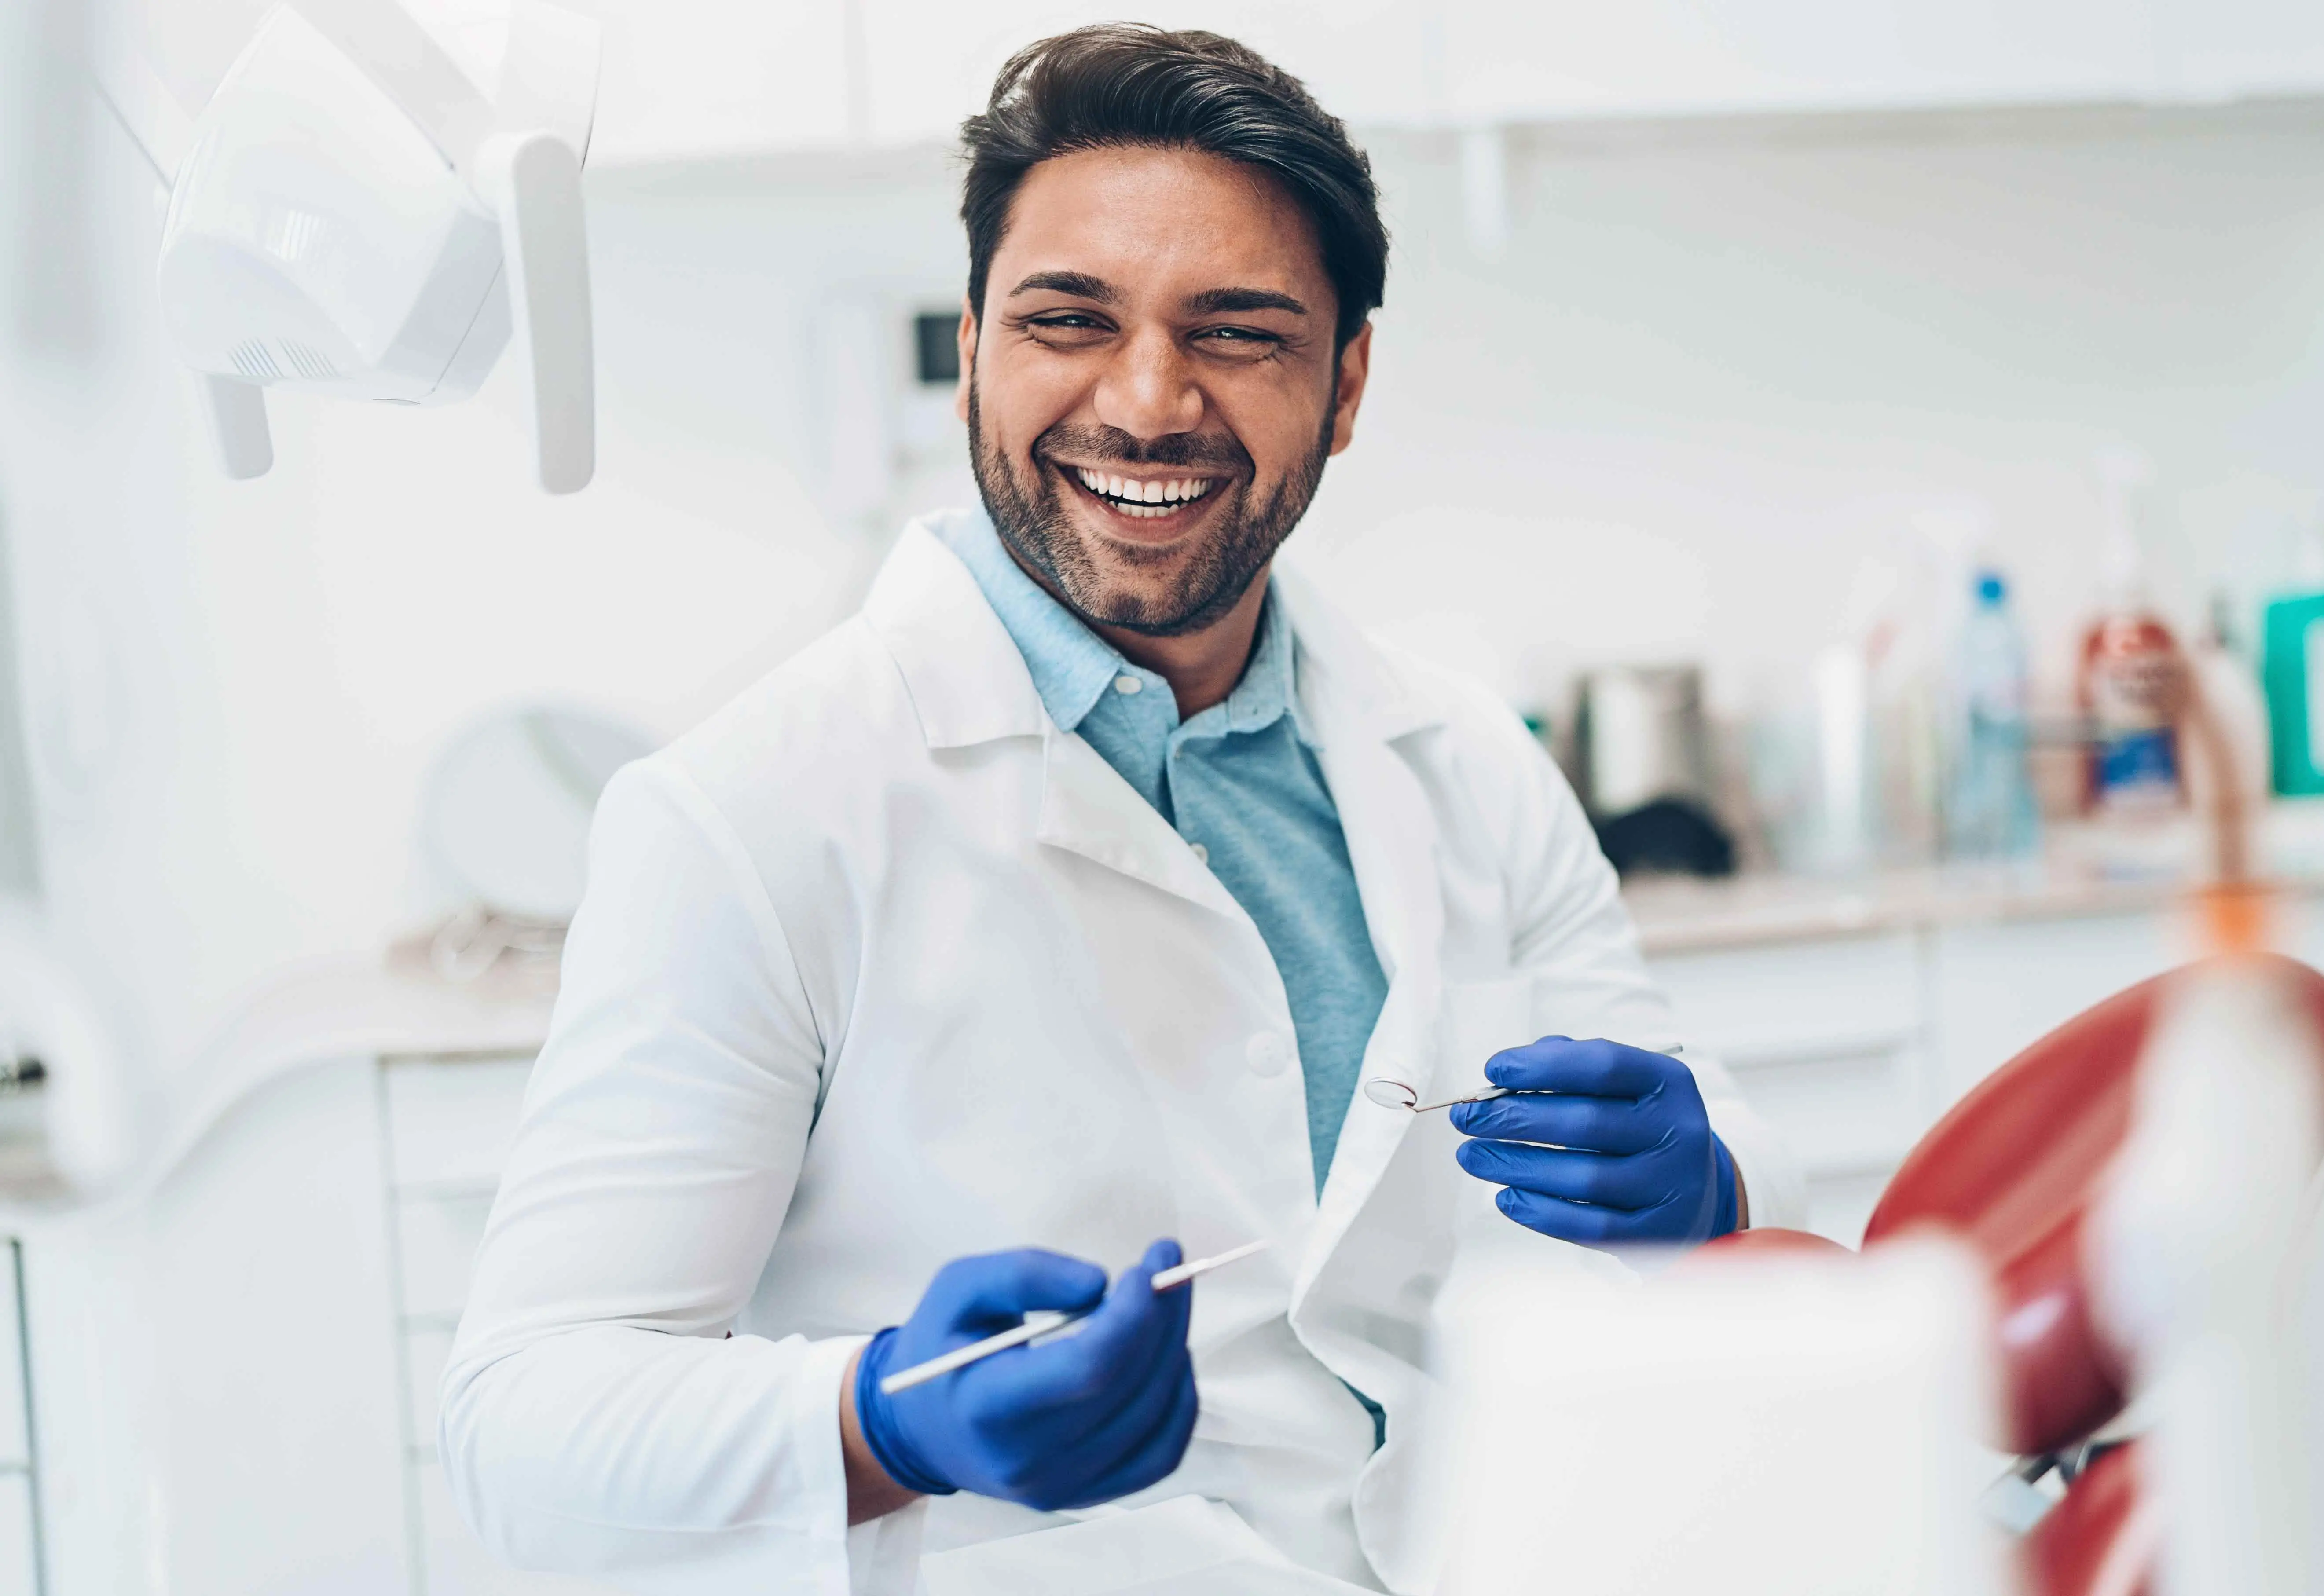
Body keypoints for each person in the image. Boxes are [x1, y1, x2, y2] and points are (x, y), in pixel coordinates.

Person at [440, 24, 1800, 1594]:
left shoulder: (1467, 764)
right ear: (972, 348)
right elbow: (523, 1425)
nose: (1149, 405)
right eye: (1069, 320)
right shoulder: (751, 815)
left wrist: (1710, 1184)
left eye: (1238, 333)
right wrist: (885, 1419)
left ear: (1347, 384)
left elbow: (1725, 1144)